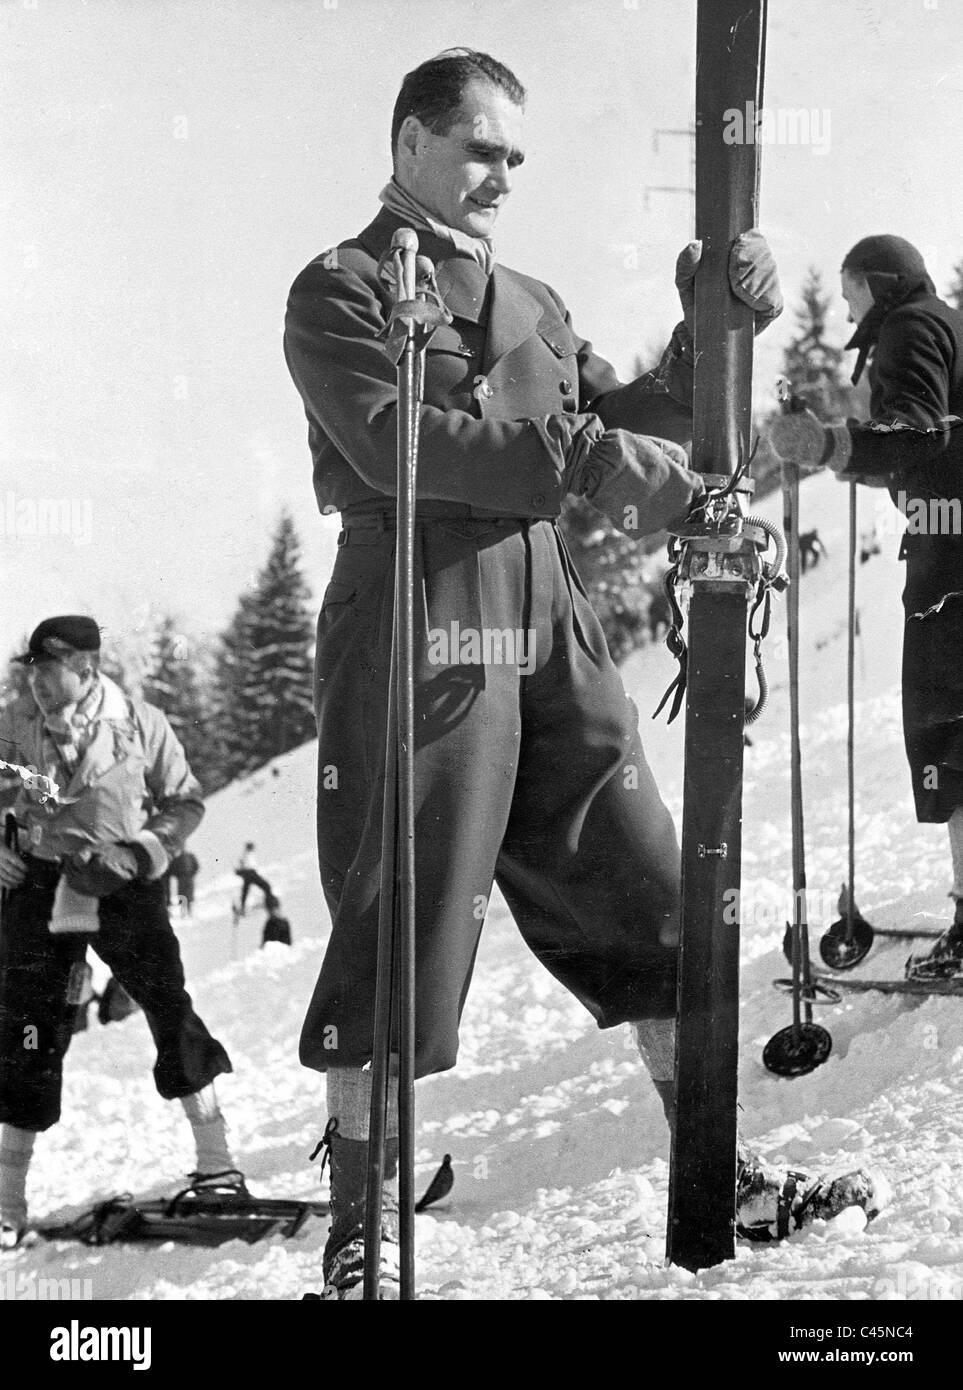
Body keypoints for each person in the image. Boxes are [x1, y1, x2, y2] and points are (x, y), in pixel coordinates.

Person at [284, 49, 876, 1299]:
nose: (500, 175)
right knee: (406, 904)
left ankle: (717, 1173)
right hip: (420, 599)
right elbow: (402, 441)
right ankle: (359, 1228)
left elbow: (641, 411)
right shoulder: (338, 288)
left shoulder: (535, 301)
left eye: (513, 155)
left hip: (547, 611)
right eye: (478, 148)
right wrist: (594, 462)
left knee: (648, 887)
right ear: (408, 145)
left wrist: (717, 310)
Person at [0, 615, 242, 1249]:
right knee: (28, 1029)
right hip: (37, 888)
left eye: (46, 671)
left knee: (167, 1007)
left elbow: (184, 802)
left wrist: (138, 853)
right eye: (30, 672)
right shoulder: (17, 726)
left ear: (85, 669)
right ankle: (5, 1204)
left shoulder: (141, 723)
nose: (35, 684)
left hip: (122, 885)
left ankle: (217, 1166)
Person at [770, 235, 963, 980]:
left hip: (954, 560)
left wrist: (827, 445)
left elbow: (914, 435)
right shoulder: (941, 321)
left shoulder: (909, 326)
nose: (847, 310)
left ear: (874, 286)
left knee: (950, 738)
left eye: (851, 296)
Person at [235, 841, 272, 915]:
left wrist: (240, 871)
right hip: (251, 873)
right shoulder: (248, 855)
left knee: (245, 890)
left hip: (248, 874)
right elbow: (246, 865)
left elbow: (241, 865)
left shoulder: (245, 855)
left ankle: (242, 907)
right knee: (266, 886)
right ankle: (269, 901)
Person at [169, 848, 200, 916]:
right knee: (183, 897)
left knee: (188, 896)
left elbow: (196, 866)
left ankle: (189, 912)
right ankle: (183, 912)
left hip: (189, 878)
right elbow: (173, 868)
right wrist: (178, 876)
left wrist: (192, 874)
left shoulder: (190, 856)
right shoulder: (177, 858)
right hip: (181, 879)